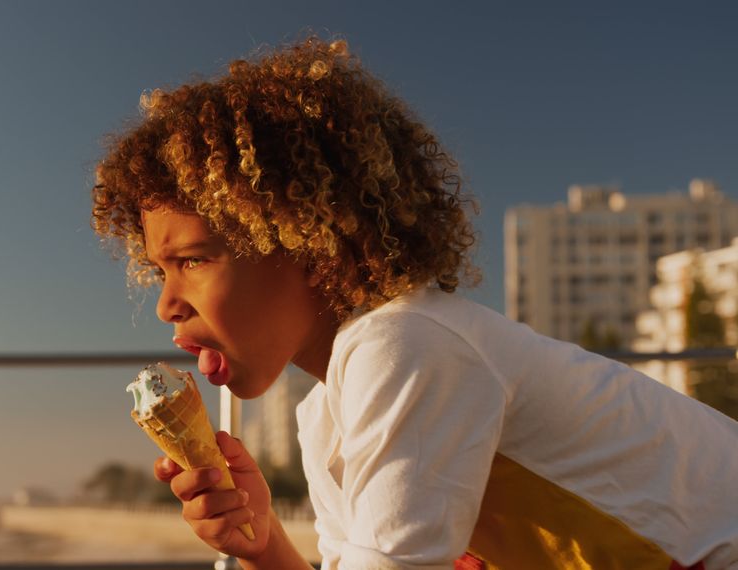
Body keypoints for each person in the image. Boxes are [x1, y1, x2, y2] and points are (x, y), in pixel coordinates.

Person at [90, 37, 738, 569]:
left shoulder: (405, 342)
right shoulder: (324, 415)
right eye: (159, 271)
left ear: (309, 238)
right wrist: (264, 546)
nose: (166, 304)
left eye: (194, 260)